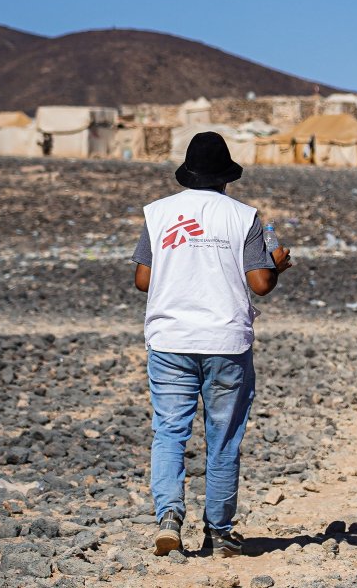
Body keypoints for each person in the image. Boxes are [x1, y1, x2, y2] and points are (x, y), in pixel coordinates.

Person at [130, 132, 292, 557]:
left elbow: (143, 280)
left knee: (169, 431)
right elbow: (260, 284)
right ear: (226, 177)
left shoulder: (158, 213)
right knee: (223, 436)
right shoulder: (244, 217)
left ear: (187, 173)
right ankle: (218, 529)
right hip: (225, 341)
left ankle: (168, 516)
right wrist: (275, 266)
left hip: (169, 339)